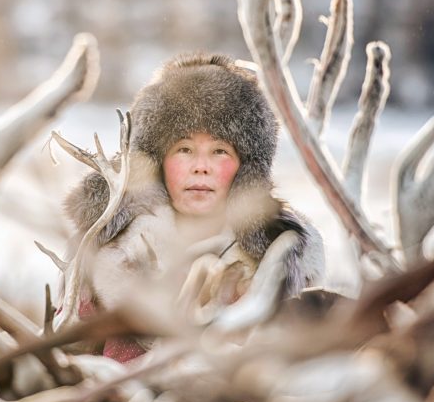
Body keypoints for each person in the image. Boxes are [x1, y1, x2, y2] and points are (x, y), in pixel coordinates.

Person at [61, 52, 325, 363]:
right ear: (157, 161)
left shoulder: (288, 254)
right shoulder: (102, 249)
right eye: (184, 149)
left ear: (246, 168)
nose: (201, 167)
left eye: (219, 151)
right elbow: (67, 361)